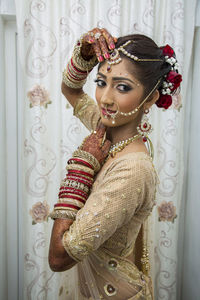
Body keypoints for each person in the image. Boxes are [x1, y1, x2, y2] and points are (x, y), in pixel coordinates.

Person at [48, 28, 182, 300]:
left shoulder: (132, 170)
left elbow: (59, 258)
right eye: (100, 82)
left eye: (122, 87)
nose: (105, 99)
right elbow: (70, 88)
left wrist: (81, 169)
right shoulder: (105, 131)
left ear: (152, 98)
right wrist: (83, 57)